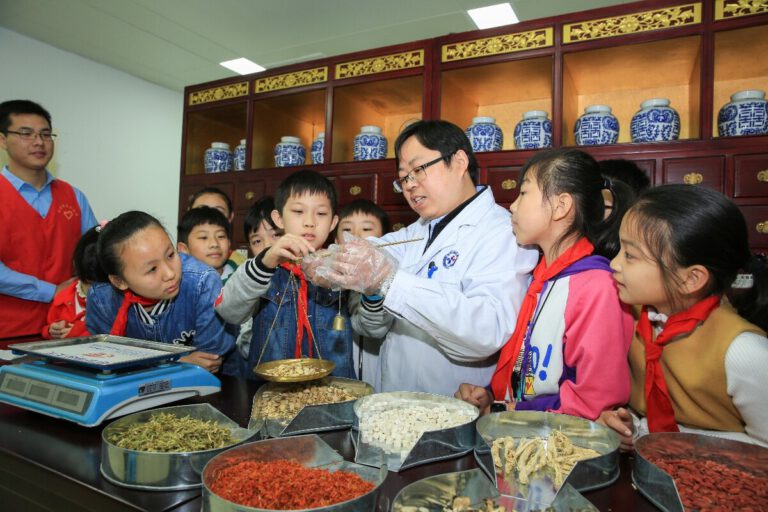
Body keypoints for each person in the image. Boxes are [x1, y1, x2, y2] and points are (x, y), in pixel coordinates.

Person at [304, 120, 539, 396]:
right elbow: (376, 248)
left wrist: (388, 280)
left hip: (449, 405)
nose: (410, 185)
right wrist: (329, 259)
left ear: (459, 161)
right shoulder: (420, 229)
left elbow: (488, 330)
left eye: (418, 170)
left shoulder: (501, 232)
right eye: (403, 177)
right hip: (396, 402)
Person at [455, 149, 634, 419]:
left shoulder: (596, 287)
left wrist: (505, 409)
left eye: (524, 193)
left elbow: (592, 401)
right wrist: (490, 394)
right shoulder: (542, 277)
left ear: (561, 206)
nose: (512, 206)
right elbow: (528, 361)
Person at [600, 185, 768, 448]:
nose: (614, 264)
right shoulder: (632, 318)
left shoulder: (744, 351)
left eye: (630, 255)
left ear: (691, 279)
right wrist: (630, 426)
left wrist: (673, 443)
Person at [215, 170, 354, 379]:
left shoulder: (343, 269)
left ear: (333, 223)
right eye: (298, 211)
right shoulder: (262, 268)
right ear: (278, 218)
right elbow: (229, 311)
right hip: (270, 390)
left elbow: (372, 328)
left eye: (321, 214)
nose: (310, 222)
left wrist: (372, 289)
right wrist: (264, 263)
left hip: (332, 391)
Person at [86, 211, 233, 373]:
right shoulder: (101, 299)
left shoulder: (203, 283)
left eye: (170, 255)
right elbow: (107, 359)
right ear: (119, 281)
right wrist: (178, 360)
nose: (170, 274)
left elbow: (209, 362)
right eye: (152, 269)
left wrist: (138, 360)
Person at [0, 100, 97, 339]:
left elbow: (95, 255)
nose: (38, 142)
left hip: (68, 331)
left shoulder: (74, 196)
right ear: (2, 140)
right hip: (7, 333)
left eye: (45, 134)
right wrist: (51, 291)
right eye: (25, 133)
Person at [336, 199, 391, 391]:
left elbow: (372, 326)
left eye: (366, 229)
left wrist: (372, 290)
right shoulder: (327, 283)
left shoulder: (392, 282)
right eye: (347, 230)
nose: (356, 237)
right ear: (336, 242)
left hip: (377, 383)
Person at [41, 226, 101, 339]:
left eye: (98, 285)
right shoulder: (64, 296)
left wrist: (78, 332)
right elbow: (49, 325)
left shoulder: (118, 302)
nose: (90, 291)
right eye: (85, 283)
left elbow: (114, 331)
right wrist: (51, 330)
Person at [189, 187, 245, 267]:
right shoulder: (175, 264)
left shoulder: (241, 266)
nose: (210, 217)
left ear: (230, 217)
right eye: (201, 210)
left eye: (218, 211)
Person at [177, 206, 236, 282]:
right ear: (183, 249)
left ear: (229, 243)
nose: (214, 244)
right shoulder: (179, 285)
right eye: (203, 237)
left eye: (221, 236)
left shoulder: (242, 278)